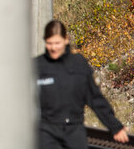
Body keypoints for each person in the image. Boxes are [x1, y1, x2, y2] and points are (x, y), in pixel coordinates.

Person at [36, 20, 129, 148]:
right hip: (47, 131)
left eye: (57, 43)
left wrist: (115, 126)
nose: (53, 48)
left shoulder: (78, 64)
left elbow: (95, 98)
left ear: (66, 40)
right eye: (49, 43)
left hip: (74, 130)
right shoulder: (37, 66)